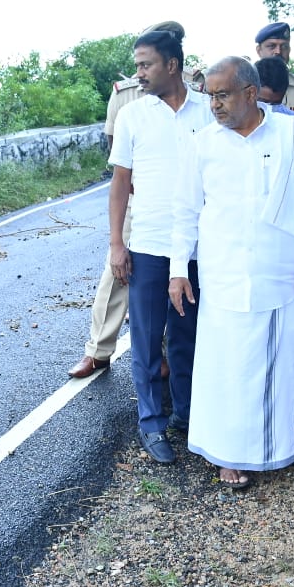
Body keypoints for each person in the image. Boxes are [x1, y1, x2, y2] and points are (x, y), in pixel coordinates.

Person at [169, 56, 294, 488]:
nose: (214, 106)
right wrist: (178, 270)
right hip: (223, 273)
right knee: (228, 366)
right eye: (210, 97)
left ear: (250, 93)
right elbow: (185, 211)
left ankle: (281, 445)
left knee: (279, 364)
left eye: (222, 96)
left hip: (278, 269)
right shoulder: (202, 143)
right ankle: (227, 453)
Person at [108, 29, 214, 464]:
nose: (139, 73)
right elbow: (118, 187)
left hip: (198, 246)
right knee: (147, 340)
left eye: (146, 64)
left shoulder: (210, 111)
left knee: (188, 337)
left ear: (173, 65)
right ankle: (151, 423)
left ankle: (187, 416)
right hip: (150, 244)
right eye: (137, 65)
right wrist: (117, 243)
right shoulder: (134, 116)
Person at [69, 20, 195, 379]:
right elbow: (115, 151)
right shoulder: (125, 94)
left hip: (181, 207)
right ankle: (98, 350)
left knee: (179, 274)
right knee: (118, 273)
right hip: (138, 199)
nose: (141, 71)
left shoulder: (196, 92)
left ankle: (169, 355)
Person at [254, 22, 294, 111]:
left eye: (284, 46)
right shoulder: (244, 85)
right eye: (272, 46)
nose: (278, 51)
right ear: (259, 51)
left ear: (289, 50)